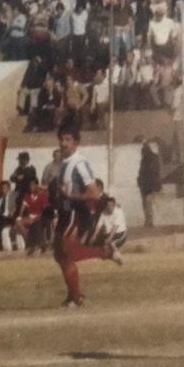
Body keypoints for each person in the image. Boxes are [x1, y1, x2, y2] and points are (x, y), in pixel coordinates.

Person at [52, 124, 120, 308]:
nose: (63, 143)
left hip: (75, 213)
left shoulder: (79, 164)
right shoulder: (64, 163)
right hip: (65, 213)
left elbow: (94, 193)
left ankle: (77, 296)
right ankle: (73, 295)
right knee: (59, 254)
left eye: (68, 140)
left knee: (65, 251)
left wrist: (70, 196)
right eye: (61, 139)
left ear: (76, 143)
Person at [137, 139, 162, 228]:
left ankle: (149, 221)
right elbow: (141, 172)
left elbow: (155, 172)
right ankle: (148, 221)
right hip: (146, 185)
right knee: (146, 203)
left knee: (147, 202)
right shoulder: (146, 159)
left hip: (149, 185)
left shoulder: (151, 159)